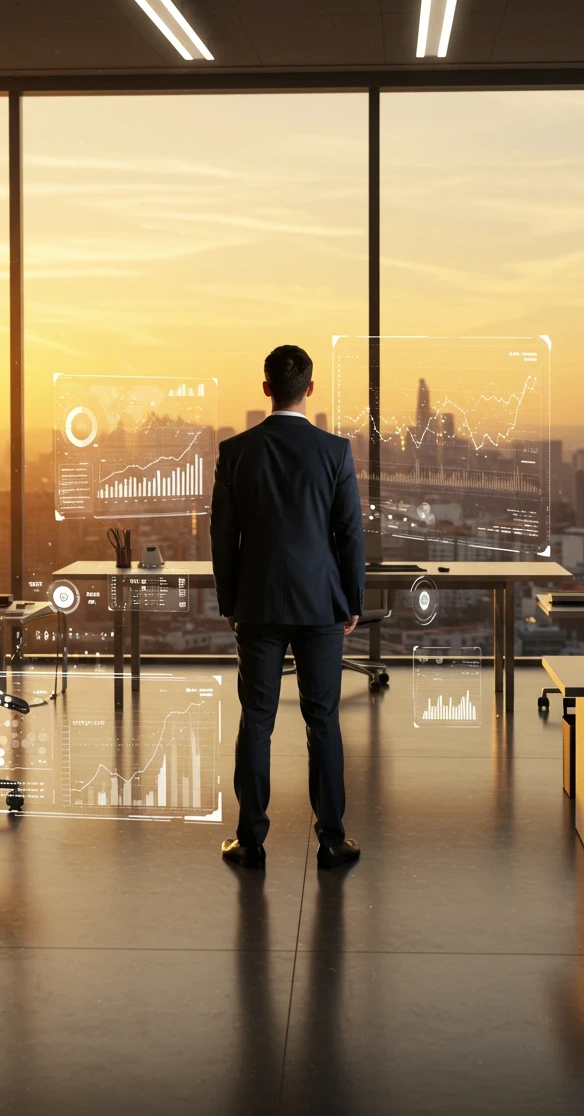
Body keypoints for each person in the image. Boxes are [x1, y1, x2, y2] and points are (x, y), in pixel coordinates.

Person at [210, 345, 365, 870]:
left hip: (256, 604)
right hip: (321, 603)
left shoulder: (236, 453)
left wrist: (230, 602)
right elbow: (350, 536)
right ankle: (331, 838)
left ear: (266, 387)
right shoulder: (336, 452)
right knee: (323, 721)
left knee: (257, 721)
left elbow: (222, 537)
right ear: (311, 389)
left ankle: (250, 839)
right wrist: (353, 603)